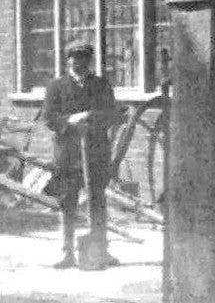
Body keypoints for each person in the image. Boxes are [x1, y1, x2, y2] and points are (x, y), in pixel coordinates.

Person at [42, 40, 120, 269]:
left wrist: (91, 117)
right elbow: (49, 118)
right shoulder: (56, 87)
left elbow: (111, 114)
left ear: (89, 61)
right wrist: (70, 120)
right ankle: (67, 253)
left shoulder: (101, 85)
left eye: (84, 58)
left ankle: (100, 251)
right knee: (68, 202)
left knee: (98, 201)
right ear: (67, 60)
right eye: (75, 58)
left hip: (96, 153)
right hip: (68, 155)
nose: (79, 62)